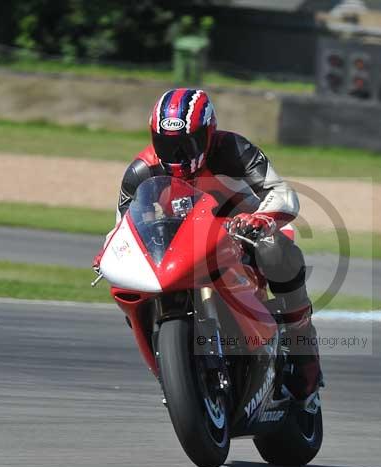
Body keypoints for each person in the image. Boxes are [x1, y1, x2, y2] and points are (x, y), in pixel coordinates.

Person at [94, 88, 322, 400]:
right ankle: (171, 369)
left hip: (243, 234)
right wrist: (109, 253)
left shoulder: (234, 149)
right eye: (167, 143)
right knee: (130, 286)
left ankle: (302, 345)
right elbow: (123, 226)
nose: (177, 154)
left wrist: (262, 218)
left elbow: (281, 193)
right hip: (181, 247)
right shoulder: (141, 171)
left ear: (208, 134)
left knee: (275, 249)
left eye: (187, 143)